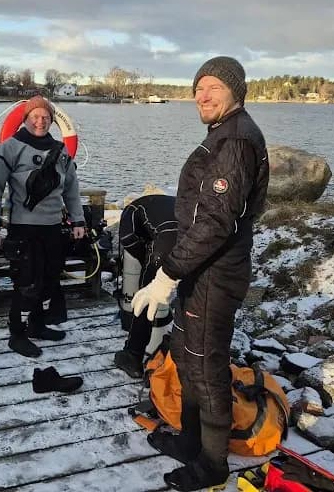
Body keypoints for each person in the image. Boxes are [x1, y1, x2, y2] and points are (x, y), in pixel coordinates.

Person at [131, 57, 269, 491]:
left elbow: (215, 223)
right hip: (201, 270)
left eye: (212, 87)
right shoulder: (225, 134)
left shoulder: (236, 141)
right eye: (197, 88)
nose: (202, 96)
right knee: (188, 358)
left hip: (215, 274)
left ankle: (212, 464)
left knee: (206, 367)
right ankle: (191, 441)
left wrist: (166, 275)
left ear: (235, 91)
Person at [0, 95, 86, 358]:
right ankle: (17, 334)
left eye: (45, 117)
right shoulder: (10, 147)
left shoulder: (61, 151)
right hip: (23, 228)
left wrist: (78, 220)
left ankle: (37, 326)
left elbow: (71, 190)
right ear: (25, 119)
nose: (40, 121)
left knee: (49, 279)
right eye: (35, 117)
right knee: (25, 283)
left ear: (52, 120)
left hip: (52, 228)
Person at [113, 193, 177, 378]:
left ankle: (133, 355)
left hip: (167, 240)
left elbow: (130, 243)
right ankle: (184, 354)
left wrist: (149, 269)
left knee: (145, 298)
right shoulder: (168, 203)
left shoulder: (130, 213)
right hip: (198, 236)